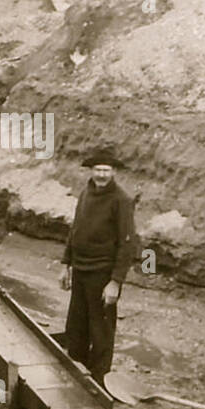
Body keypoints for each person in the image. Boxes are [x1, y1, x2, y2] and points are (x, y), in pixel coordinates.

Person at [60, 148, 136, 384]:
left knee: (101, 330)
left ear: (113, 172)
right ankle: (76, 373)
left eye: (106, 170)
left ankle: (99, 382)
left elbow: (128, 243)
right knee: (76, 326)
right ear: (91, 171)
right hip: (81, 269)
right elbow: (76, 230)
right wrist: (66, 264)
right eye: (98, 170)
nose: (102, 175)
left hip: (102, 273)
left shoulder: (121, 200)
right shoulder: (85, 193)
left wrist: (115, 282)